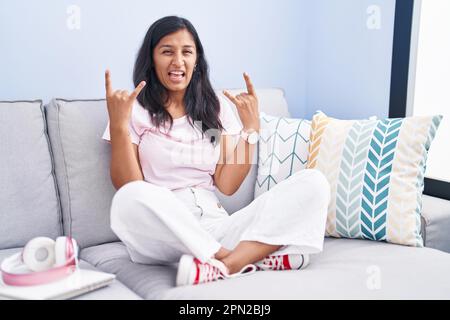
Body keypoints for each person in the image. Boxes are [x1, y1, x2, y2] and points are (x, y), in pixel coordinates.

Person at [102, 15, 330, 286]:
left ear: (197, 60)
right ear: (151, 59)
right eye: (167, 52)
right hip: (164, 230)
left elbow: (227, 184)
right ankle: (244, 256)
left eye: (187, 52)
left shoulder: (215, 108)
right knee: (128, 199)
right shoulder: (134, 109)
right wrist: (118, 125)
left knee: (314, 183)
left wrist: (251, 130)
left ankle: (224, 264)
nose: (178, 61)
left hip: (216, 223)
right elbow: (128, 185)